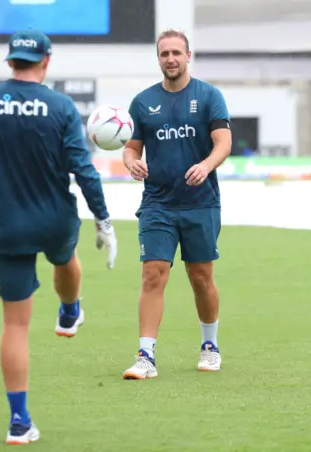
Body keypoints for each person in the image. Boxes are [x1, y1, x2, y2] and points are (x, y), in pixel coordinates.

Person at [0, 29, 117, 445]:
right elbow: (83, 169)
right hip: (56, 218)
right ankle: (70, 311)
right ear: (46, 61)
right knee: (65, 257)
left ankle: (19, 421)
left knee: (15, 326)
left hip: (7, 224)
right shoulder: (60, 106)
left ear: (10, 61)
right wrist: (103, 219)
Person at [121, 29, 232, 379]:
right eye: (164, 53)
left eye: (176, 53)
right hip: (157, 203)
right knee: (153, 273)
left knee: (201, 278)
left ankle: (210, 345)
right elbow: (130, 147)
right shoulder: (142, 102)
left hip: (201, 203)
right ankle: (145, 356)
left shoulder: (209, 96)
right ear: (158, 59)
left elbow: (223, 143)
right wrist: (130, 162)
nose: (170, 59)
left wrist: (206, 164)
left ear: (188, 56)